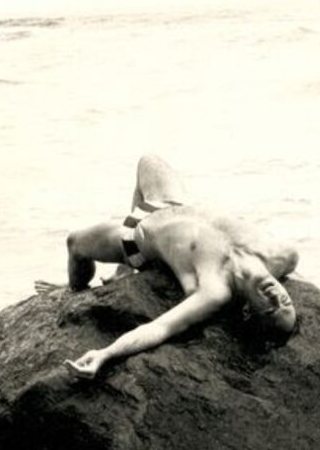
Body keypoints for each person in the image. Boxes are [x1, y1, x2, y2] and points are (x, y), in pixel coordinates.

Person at [62, 155, 299, 379]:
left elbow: (160, 328)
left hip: (136, 237)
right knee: (148, 160)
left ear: (249, 310)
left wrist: (105, 354)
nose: (276, 297)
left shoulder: (214, 289)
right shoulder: (284, 255)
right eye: (285, 301)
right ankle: (122, 273)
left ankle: (73, 289)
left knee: (74, 244)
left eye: (270, 308)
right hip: (172, 200)